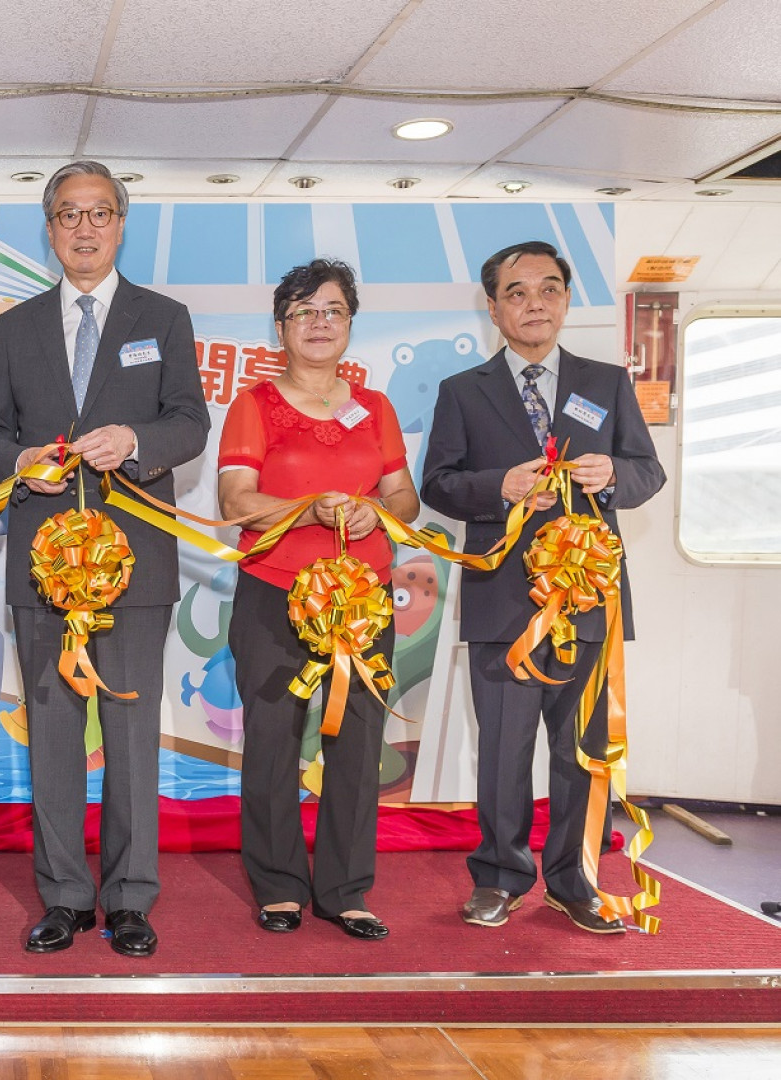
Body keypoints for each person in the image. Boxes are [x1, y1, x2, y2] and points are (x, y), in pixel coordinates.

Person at [0, 160, 209, 957]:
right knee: (53, 731)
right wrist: (20, 459)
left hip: (134, 562)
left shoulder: (163, 317)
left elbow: (189, 423)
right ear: (48, 229)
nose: (83, 227)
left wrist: (136, 442)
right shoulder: (16, 327)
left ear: (119, 224)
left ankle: (131, 899)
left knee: (134, 733)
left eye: (98, 213)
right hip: (44, 563)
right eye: (67, 214)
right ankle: (65, 897)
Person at [422, 240, 664, 934]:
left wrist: (611, 474)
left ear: (564, 300)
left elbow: (648, 472)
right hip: (503, 602)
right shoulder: (461, 391)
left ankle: (575, 880)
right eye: (517, 292)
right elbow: (437, 484)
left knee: (580, 752)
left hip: (588, 600)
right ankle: (499, 878)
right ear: (494, 308)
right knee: (501, 750)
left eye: (549, 289)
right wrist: (498, 487)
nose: (535, 303)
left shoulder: (605, 381)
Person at [215, 259, 419, 941]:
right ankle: (277, 886)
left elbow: (403, 499)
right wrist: (306, 511)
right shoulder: (255, 405)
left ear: (350, 323)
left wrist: (372, 514)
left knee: (357, 746)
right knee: (272, 744)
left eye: (331, 310)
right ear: (280, 328)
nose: (319, 323)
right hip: (274, 595)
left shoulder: (377, 408)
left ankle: (345, 889)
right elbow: (235, 501)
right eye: (303, 311)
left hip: (360, 602)